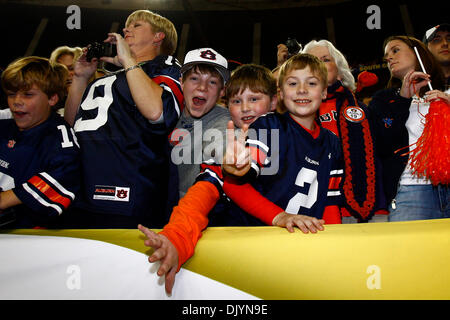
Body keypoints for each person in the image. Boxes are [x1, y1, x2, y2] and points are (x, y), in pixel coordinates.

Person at [139, 56, 343, 293]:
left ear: (273, 100)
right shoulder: (243, 139)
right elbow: (205, 195)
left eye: (254, 99)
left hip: (301, 252)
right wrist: (176, 239)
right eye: (236, 101)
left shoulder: (329, 142)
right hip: (248, 254)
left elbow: (330, 202)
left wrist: (333, 245)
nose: (246, 108)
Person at [63, 9, 183, 228]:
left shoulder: (164, 67)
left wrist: (128, 60)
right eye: (127, 25)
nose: (127, 29)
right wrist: (81, 78)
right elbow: (70, 127)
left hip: (127, 192)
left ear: (158, 37)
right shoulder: (108, 78)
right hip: (80, 189)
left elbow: (158, 113)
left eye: (137, 25)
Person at [301, 39, 388, 223]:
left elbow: (385, 152)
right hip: (313, 210)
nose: (319, 65)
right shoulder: (294, 112)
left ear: (339, 70)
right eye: (312, 61)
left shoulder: (364, 110)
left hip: (368, 207)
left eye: (325, 59)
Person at [369, 35, 449, 222]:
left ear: (417, 52)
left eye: (395, 50)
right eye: (386, 55)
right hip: (411, 191)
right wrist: (403, 100)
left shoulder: (447, 92)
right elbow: (381, 145)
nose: (388, 58)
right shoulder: (383, 99)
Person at [0, 56, 80, 228]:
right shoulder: (4, 124)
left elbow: (65, 178)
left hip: (28, 241)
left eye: (28, 94)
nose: (17, 101)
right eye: (11, 94)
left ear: (52, 99)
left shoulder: (60, 139)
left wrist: (5, 200)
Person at [169, 48, 231, 198]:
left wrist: (229, 159)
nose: (202, 87)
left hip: (198, 211)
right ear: (181, 82)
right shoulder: (165, 111)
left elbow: (221, 146)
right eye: (194, 78)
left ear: (222, 91)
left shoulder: (225, 120)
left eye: (212, 82)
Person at [423, 23, 450, 89]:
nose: (445, 43)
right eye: (437, 40)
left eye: (449, 39)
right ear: (426, 49)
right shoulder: (420, 85)